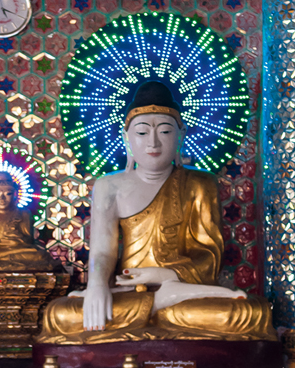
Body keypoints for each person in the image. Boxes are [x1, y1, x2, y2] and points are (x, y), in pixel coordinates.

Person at [37, 81, 276, 343]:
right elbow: (103, 251)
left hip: (185, 291)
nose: (153, 142)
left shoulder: (200, 184)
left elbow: (210, 254)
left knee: (249, 312)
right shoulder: (109, 186)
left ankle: (163, 301)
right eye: (141, 132)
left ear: (180, 134)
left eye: (164, 131)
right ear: (126, 137)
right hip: (127, 291)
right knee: (59, 314)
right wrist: (96, 287)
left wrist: (164, 275)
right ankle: (158, 304)